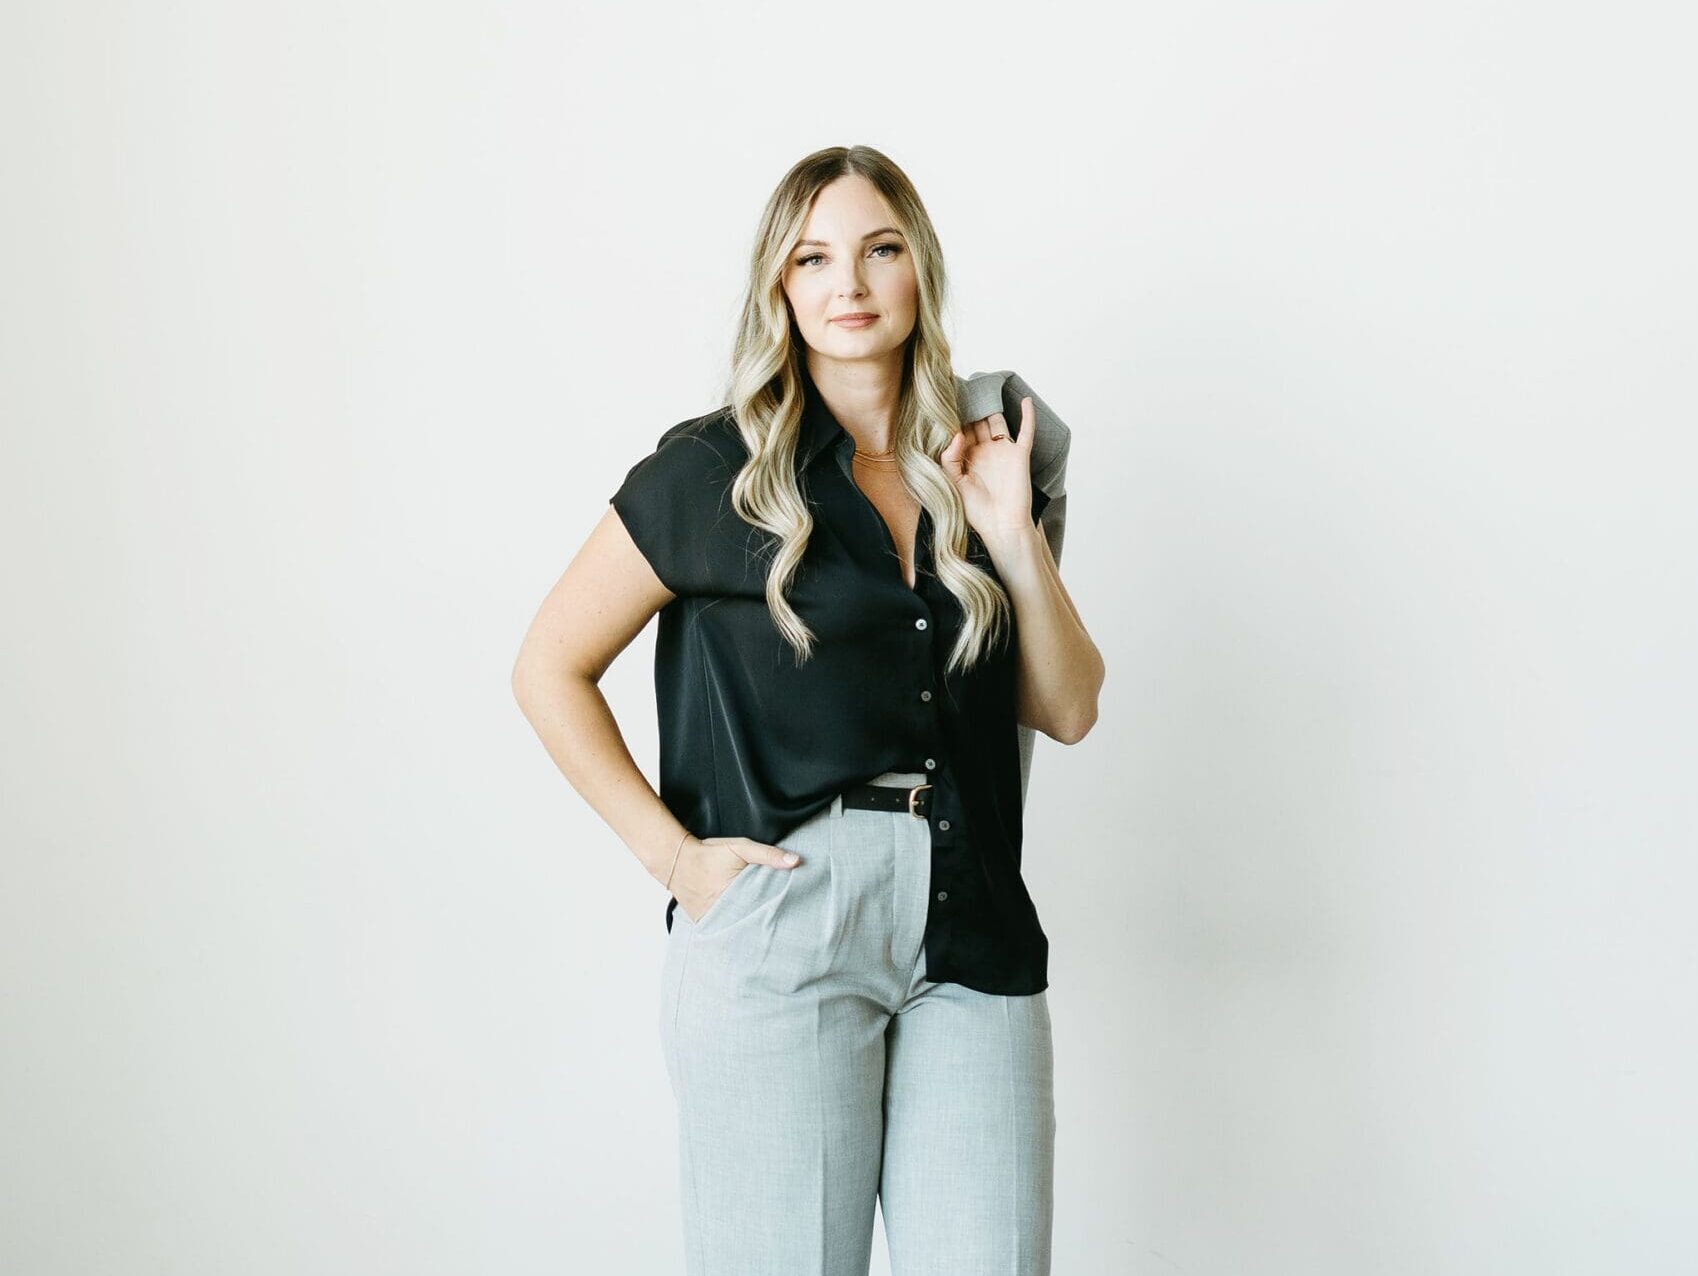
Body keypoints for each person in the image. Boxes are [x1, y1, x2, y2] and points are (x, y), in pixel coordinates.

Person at [512, 144, 1104, 1276]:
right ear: (779, 285)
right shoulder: (712, 470)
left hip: (968, 915)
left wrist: (1015, 532)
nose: (851, 284)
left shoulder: (985, 462)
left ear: (918, 270)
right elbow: (548, 664)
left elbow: (1069, 708)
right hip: (785, 920)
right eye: (815, 257)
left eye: (880, 250)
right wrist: (677, 862)